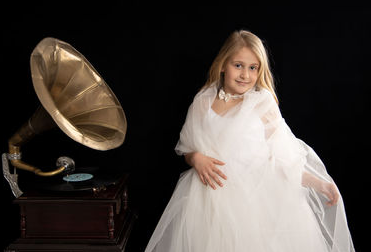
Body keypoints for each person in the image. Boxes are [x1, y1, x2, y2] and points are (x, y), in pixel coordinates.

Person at [145, 30, 355, 252]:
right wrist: (196, 158)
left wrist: (319, 183)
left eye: (252, 68)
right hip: (206, 203)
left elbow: (283, 160)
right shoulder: (203, 102)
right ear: (223, 64)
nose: (245, 74)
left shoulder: (262, 104)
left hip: (252, 202)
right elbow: (187, 147)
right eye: (238, 65)